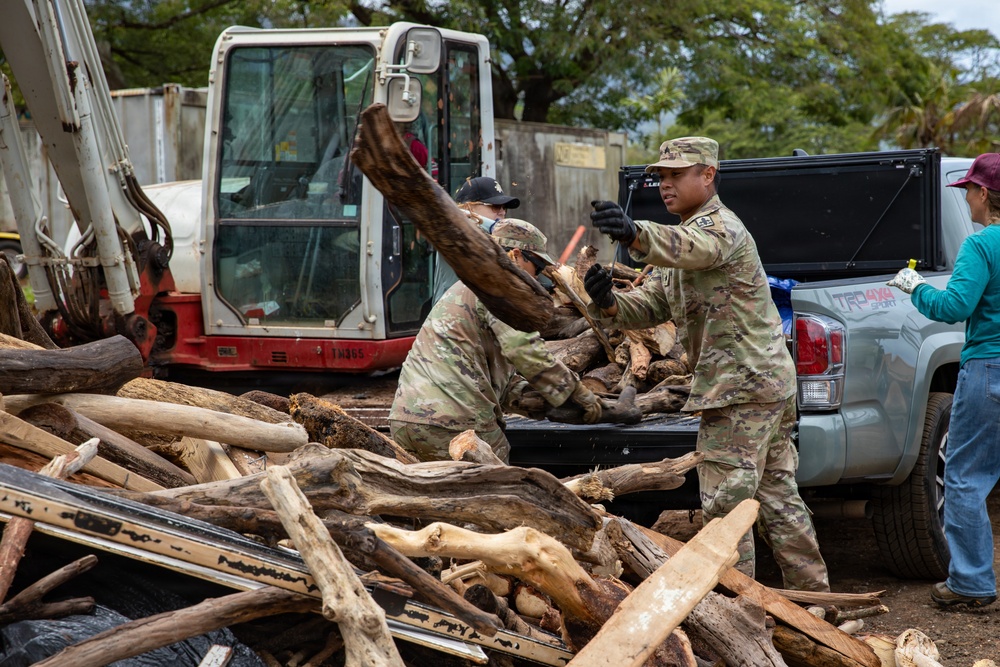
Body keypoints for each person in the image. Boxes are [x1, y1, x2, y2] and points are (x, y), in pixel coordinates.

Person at [582, 136, 829, 591]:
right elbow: (656, 302)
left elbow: (694, 249)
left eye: (677, 175)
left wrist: (635, 233)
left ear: (708, 175)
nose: (665, 185)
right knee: (776, 496)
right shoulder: (685, 235)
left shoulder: (719, 228)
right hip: (757, 386)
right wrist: (609, 303)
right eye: (661, 176)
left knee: (725, 506)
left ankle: (739, 612)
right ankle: (816, 603)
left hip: (741, 390)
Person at [390, 218, 600, 462]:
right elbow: (525, 352)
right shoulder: (499, 289)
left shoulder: (469, 286)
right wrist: (577, 393)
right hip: (458, 423)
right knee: (502, 493)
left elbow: (497, 382)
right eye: (538, 266)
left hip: (407, 418)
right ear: (516, 255)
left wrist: (546, 405)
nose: (539, 275)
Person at [887, 153, 1000, 608]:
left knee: (965, 476)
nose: (967, 198)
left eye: (969, 190)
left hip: (989, 370)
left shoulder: (981, 245)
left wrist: (916, 287)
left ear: (985, 195)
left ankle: (971, 585)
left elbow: (955, 307)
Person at [432, 176, 521, 304]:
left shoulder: (493, 234)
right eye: (495, 206)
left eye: (504, 208)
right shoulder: (456, 228)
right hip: (452, 318)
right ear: (469, 207)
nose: (502, 212)